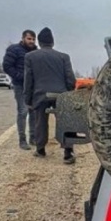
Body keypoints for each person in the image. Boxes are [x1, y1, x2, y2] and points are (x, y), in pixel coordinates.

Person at [23, 27, 77, 163]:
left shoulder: (30, 57)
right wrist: (68, 93)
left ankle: (40, 149)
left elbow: (28, 80)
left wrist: (28, 99)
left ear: (40, 42)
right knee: (65, 121)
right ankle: (68, 152)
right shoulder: (64, 57)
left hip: (40, 95)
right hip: (61, 94)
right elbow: (70, 79)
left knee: (40, 122)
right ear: (52, 42)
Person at [2, 29, 38, 150]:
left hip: (33, 87)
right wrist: (19, 76)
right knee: (23, 111)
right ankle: (22, 140)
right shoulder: (14, 49)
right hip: (20, 85)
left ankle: (33, 138)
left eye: (33, 39)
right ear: (23, 38)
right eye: (29, 39)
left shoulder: (36, 52)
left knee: (33, 111)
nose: (31, 41)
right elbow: (7, 66)